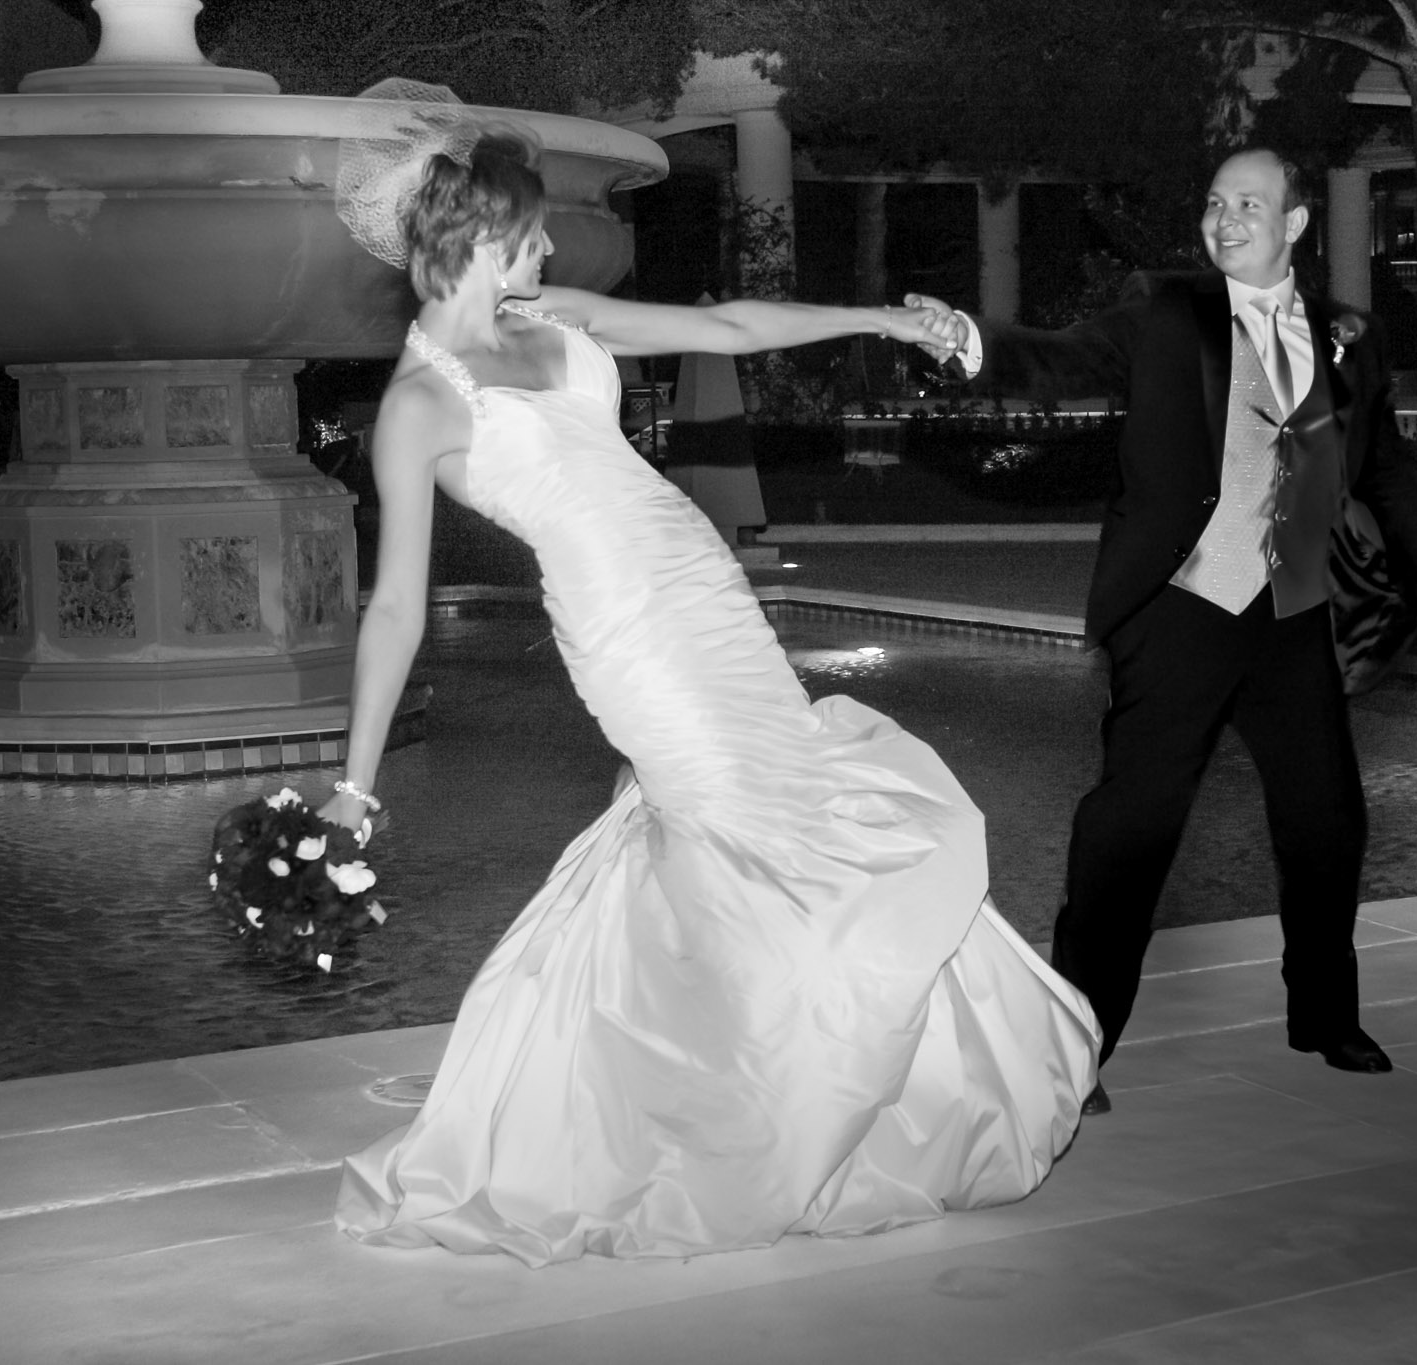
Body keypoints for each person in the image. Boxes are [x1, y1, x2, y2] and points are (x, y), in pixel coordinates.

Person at [319, 128, 1099, 1266]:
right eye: (530, 230)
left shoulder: (554, 317)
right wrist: (354, 786)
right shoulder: (416, 403)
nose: (547, 246)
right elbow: (393, 608)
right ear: (480, 235)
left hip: (707, 599)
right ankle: (758, 1116)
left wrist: (882, 320)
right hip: (631, 639)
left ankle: (832, 1088)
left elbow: (728, 326)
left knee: (795, 815)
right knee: (753, 835)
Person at [912, 148, 1417, 1109]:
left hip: (1294, 614)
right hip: (1183, 607)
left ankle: (1325, 1015)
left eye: (1249, 205)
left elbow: (1387, 472)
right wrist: (969, 340)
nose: (1225, 221)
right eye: (1216, 204)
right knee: (1129, 832)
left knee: (1327, 822)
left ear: (1295, 223)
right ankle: (1076, 1044)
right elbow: (1064, 354)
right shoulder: (1168, 308)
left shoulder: (1348, 334)